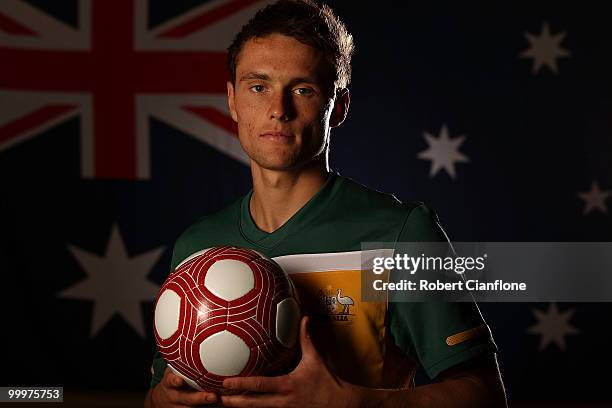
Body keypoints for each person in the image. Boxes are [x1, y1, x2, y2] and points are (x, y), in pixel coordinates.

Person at [144, 1, 507, 407]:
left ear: (339, 108)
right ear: (232, 100)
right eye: (258, 87)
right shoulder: (198, 247)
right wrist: (161, 401)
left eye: (303, 89)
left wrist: (354, 403)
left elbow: (485, 396)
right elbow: (162, 392)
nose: (278, 110)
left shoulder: (400, 236)